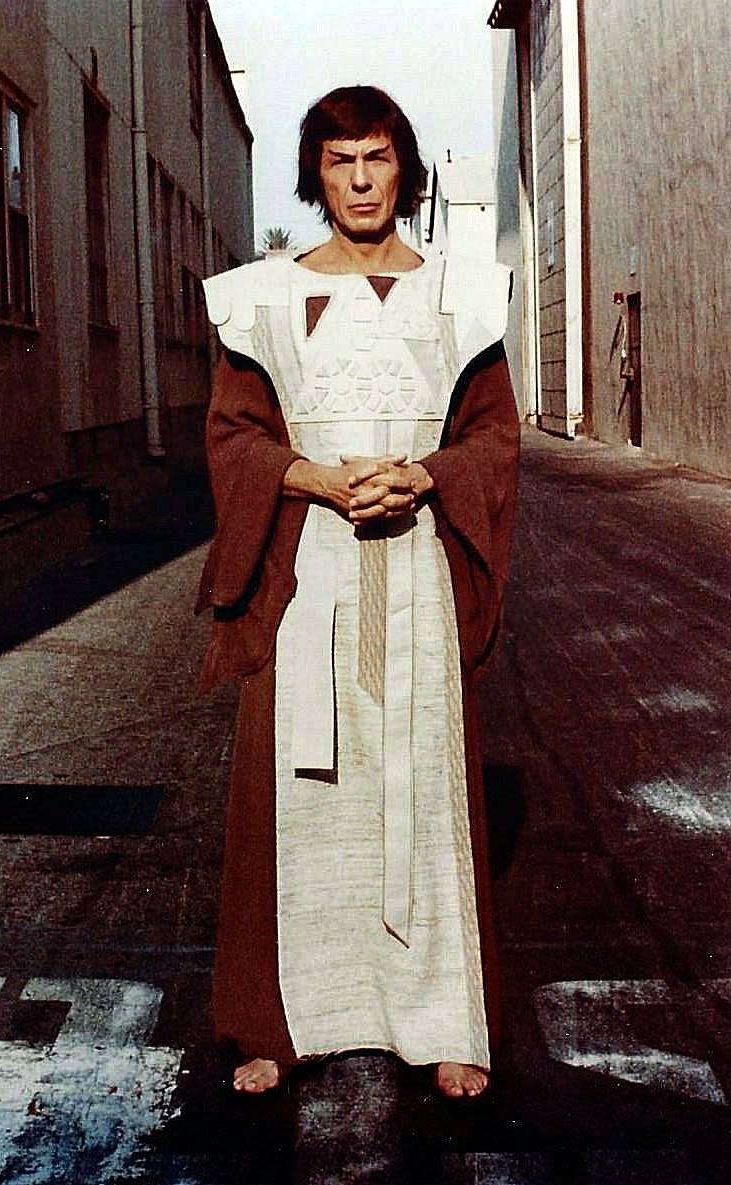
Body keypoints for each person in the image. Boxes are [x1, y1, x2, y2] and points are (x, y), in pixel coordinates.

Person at [196, 85, 520, 1100]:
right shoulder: (264, 298)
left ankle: (445, 1019)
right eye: (340, 163)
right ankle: (279, 1022)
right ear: (316, 177)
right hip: (309, 575)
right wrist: (316, 479)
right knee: (305, 792)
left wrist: (426, 475)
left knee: (424, 783)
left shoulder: (459, 297)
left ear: (404, 170)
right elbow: (234, 437)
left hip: (417, 569)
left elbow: (492, 438)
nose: (362, 181)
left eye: (377, 158)